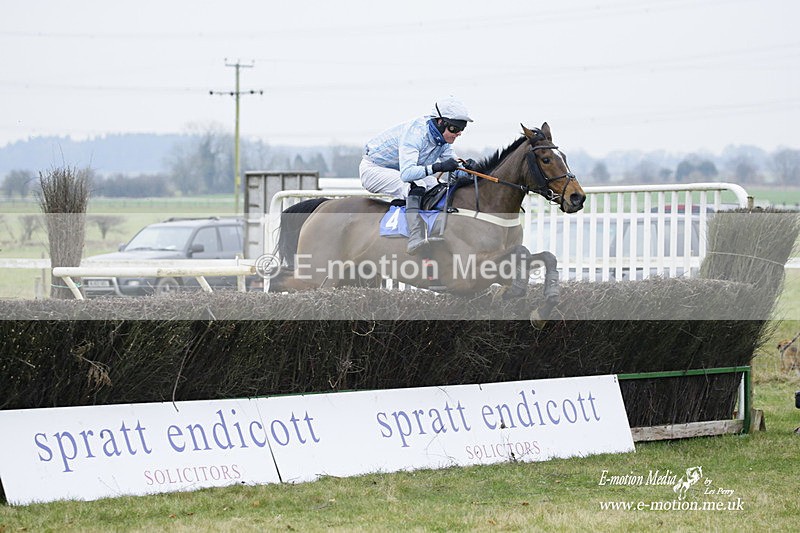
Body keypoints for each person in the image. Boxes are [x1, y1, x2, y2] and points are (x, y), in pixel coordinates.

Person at [360, 96, 477, 255]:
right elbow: (408, 174)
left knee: (438, 187)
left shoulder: (441, 139)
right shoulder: (416, 134)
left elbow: (452, 164)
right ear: (440, 122)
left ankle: (435, 231)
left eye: (461, 129)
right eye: (455, 129)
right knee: (416, 185)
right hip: (374, 169)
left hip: (398, 170)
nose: (458, 134)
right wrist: (440, 166)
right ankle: (415, 237)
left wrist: (468, 168)